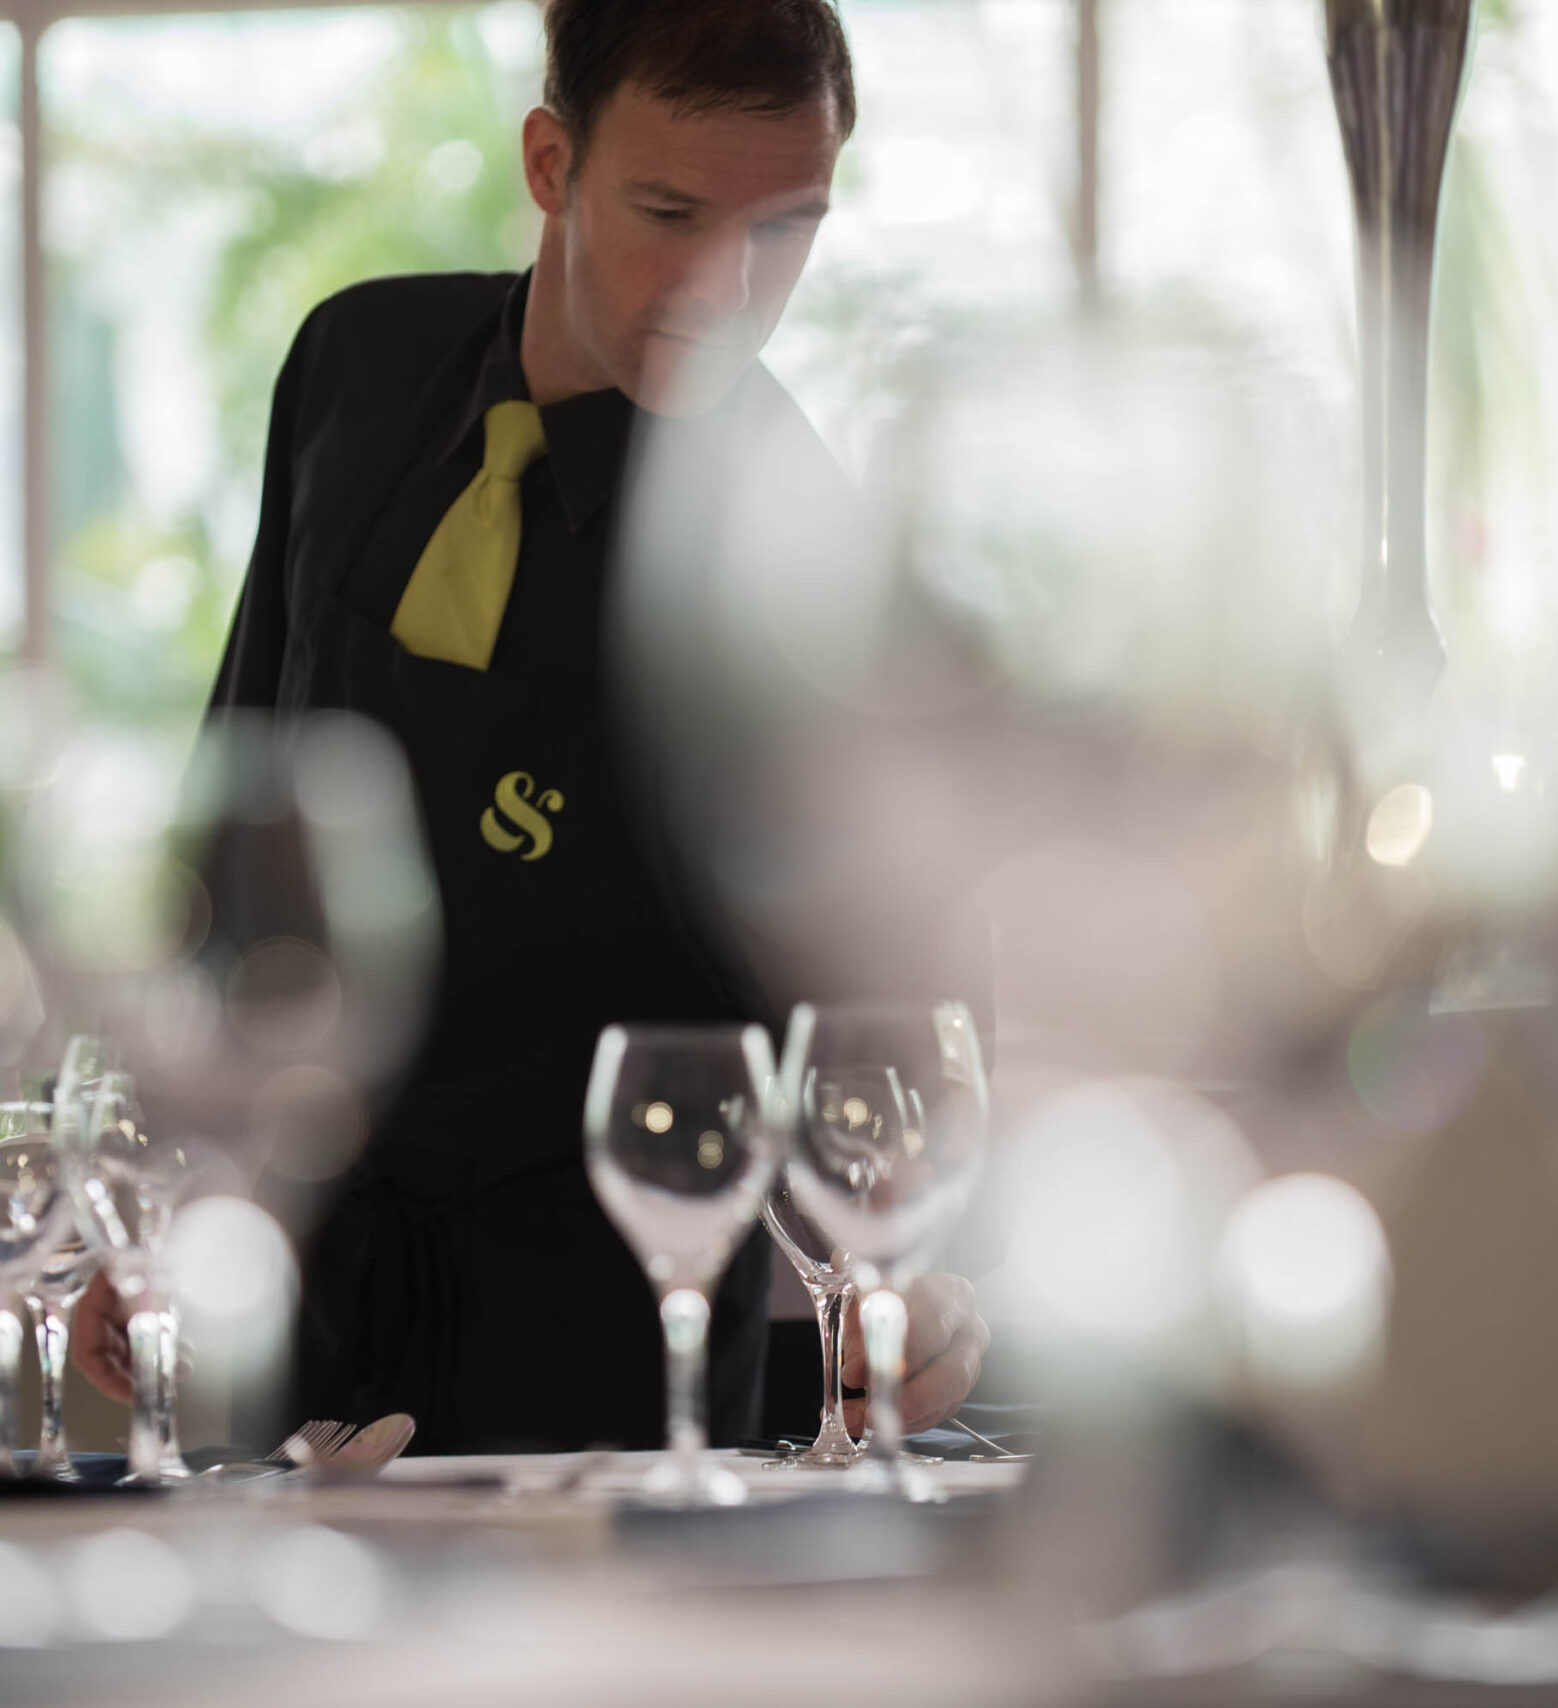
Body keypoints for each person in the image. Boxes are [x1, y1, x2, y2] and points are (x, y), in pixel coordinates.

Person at [71, 0, 988, 1455]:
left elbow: (893, 985)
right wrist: (146, 1190)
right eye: (671, 210)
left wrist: (927, 1278)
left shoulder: (794, 548)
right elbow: (236, 804)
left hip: (620, 1358)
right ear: (552, 162)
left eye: (783, 227)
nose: (723, 287)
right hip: (295, 1292)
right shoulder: (354, 366)